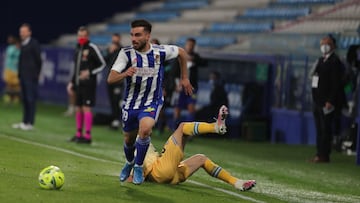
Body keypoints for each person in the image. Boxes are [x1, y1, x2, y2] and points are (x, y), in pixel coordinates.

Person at [107, 19, 193, 185]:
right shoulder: (126, 53)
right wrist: (125, 74)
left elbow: (182, 52)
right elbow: (110, 78)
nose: (133, 38)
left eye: (138, 35)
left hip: (151, 102)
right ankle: (130, 162)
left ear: (147, 36)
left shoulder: (160, 52)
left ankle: (138, 166)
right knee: (128, 139)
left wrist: (184, 78)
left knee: (145, 129)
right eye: (132, 35)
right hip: (131, 104)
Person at [125, 105, 256, 191]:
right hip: (160, 171)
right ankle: (215, 127)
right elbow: (138, 167)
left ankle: (237, 183)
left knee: (201, 159)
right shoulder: (138, 143)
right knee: (182, 128)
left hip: (171, 175)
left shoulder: (142, 140)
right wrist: (131, 179)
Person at [310, 35, 346, 163]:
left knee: (326, 129)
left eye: (328, 43)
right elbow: (315, 79)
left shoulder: (335, 62)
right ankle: (319, 153)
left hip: (327, 102)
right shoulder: (320, 61)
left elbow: (336, 84)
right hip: (317, 101)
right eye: (322, 43)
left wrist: (330, 100)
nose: (324, 46)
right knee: (319, 129)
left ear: (333, 46)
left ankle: (324, 155)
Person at [68, 26, 106, 144]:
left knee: (86, 108)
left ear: (87, 36)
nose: (81, 38)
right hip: (78, 84)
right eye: (80, 36)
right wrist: (72, 82)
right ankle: (78, 134)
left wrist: (89, 72)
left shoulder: (92, 48)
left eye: (84, 36)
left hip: (88, 85)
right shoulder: (78, 48)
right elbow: (76, 68)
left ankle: (87, 136)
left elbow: (102, 64)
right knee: (78, 108)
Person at [12, 23, 42, 131]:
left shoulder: (34, 44)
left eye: (24, 31)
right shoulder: (23, 44)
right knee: (24, 99)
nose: (22, 34)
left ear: (29, 32)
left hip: (31, 76)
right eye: (21, 32)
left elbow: (39, 60)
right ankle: (24, 121)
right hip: (23, 76)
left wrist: (37, 73)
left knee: (31, 99)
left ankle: (30, 123)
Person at [173, 38, 205, 128]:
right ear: (186, 45)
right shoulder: (180, 56)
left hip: (192, 88)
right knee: (177, 108)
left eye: (192, 45)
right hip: (181, 87)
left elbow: (204, 63)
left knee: (191, 108)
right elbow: (174, 72)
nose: (190, 47)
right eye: (188, 45)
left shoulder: (196, 57)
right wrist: (176, 84)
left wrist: (193, 59)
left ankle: (188, 130)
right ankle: (176, 129)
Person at [104, 33, 123, 130]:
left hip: (118, 80)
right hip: (110, 78)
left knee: (117, 100)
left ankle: (117, 120)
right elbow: (105, 62)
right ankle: (114, 119)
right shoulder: (109, 49)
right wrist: (110, 52)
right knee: (112, 100)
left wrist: (114, 52)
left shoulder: (121, 50)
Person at [2, 35, 21, 104]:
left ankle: (16, 98)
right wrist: (16, 48)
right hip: (9, 69)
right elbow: (9, 54)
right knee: (9, 84)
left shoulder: (20, 50)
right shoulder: (10, 48)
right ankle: (8, 97)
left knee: (17, 85)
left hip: (16, 70)